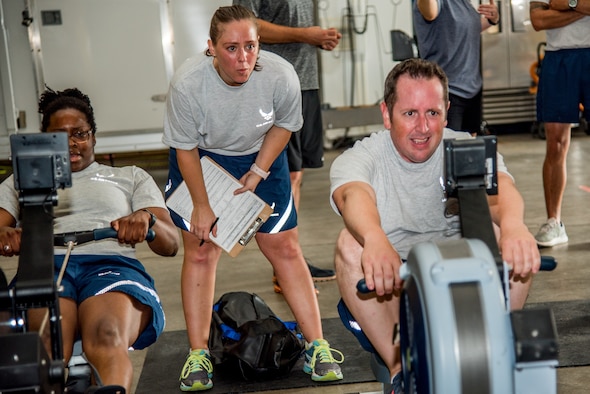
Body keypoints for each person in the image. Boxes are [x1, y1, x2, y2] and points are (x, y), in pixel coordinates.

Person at [330, 58, 540, 393]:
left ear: (446, 110)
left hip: (460, 279)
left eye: (433, 113)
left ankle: (499, 349)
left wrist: (516, 226)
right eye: (410, 113)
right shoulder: (364, 156)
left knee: (505, 234)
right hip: (394, 284)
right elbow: (353, 196)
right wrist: (374, 238)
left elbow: (502, 189)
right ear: (387, 114)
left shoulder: (464, 147)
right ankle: (400, 373)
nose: (423, 128)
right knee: (351, 244)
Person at [161, 5, 343, 392]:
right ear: (211, 47)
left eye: (251, 46)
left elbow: (284, 125)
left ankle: (318, 346)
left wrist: (259, 170)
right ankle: (198, 356)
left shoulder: (280, 74)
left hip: (260, 153)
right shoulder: (188, 84)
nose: (243, 58)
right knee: (200, 248)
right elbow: (185, 150)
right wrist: (202, 205)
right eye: (231, 48)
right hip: (202, 157)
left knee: (284, 247)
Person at [0, 88, 180, 393]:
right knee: (46, 346)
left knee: (107, 335)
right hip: (47, 266)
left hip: (111, 264)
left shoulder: (129, 176)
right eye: (59, 135)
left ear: (93, 136)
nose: (71, 143)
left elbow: (170, 242)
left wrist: (146, 219)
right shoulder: (20, 181)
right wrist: (7, 235)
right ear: (44, 138)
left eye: (80, 133)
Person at [233, 0, 342, 286]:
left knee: (297, 175)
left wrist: (318, 38)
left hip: (305, 82)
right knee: (287, 174)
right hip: (274, 85)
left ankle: (290, 259)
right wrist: (307, 34)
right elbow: (250, 26)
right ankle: (286, 265)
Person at [529, 0, 590, 247]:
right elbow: (539, 21)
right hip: (558, 59)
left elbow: (551, 13)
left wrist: (566, 4)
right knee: (555, 144)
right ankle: (554, 221)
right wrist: (582, 9)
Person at [413, 0, 500, 136]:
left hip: (472, 87)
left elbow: (466, 29)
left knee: (468, 148)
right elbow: (430, 13)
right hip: (447, 90)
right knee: (448, 149)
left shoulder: (464, 3)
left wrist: (492, 20)